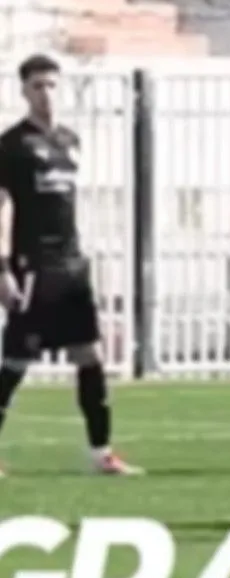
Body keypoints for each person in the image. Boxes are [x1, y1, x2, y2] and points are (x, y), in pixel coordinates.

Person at [0, 55, 142, 478]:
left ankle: (101, 453)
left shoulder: (70, 141)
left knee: (90, 355)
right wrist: (3, 270)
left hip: (71, 266)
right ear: (24, 92)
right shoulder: (12, 146)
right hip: (32, 266)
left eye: (52, 85)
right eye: (37, 86)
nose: (46, 94)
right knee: (15, 361)